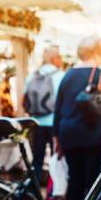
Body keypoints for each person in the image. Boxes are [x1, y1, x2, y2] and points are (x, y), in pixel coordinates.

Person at [54, 37, 101, 200]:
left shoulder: (68, 75)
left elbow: (58, 108)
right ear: (99, 51)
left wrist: (56, 137)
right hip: (93, 136)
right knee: (94, 185)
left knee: (74, 183)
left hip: (68, 134)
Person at [24, 45, 64, 180]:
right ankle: (52, 191)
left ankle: (33, 189)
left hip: (36, 121)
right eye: (59, 57)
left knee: (37, 159)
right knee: (55, 159)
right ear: (54, 59)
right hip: (54, 122)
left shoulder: (32, 75)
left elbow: (25, 99)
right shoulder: (60, 75)